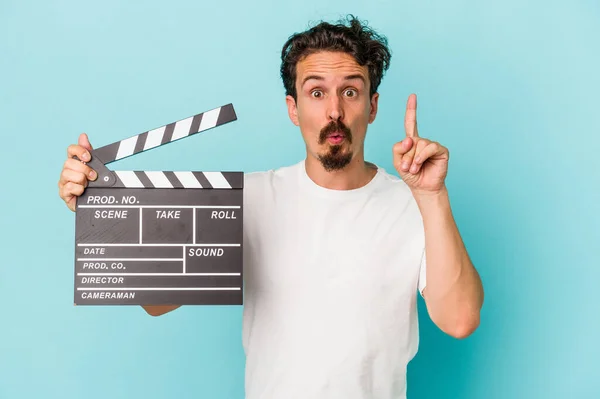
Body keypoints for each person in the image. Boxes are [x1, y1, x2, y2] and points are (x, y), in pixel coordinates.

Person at [58, 15, 483, 399]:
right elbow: (157, 301)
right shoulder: (251, 199)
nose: (334, 111)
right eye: (316, 92)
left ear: (371, 106)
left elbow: (460, 320)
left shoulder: (413, 205)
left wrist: (432, 196)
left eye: (350, 91)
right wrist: (101, 211)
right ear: (293, 109)